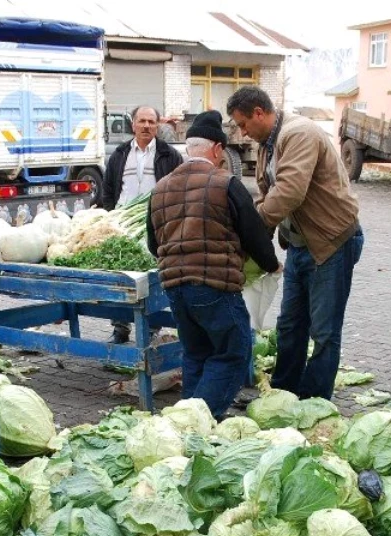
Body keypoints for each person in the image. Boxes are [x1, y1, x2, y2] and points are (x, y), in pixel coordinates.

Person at [227, 86, 363, 401]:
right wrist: (258, 247)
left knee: (325, 331)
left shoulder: (300, 133)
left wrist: (250, 230)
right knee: (290, 325)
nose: (243, 133)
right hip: (301, 245)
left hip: (331, 244)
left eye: (244, 124)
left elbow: (288, 192)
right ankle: (284, 395)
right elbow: (267, 196)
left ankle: (314, 401)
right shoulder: (267, 145)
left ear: (259, 113)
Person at [146, 110, 278, 418]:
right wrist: (270, 264)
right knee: (233, 352)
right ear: (217, 149)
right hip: (214, 286)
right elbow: (254, 234)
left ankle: (183, 421)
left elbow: (154, 245)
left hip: (175, 288)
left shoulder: (160, 188)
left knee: (196, 354)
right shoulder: (226, 183)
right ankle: (199, 419)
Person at [101, 105, 182, 344]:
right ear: (133, 124)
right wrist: (110, 218)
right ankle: (120, 328)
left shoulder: (170, 155)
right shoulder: (120, 153)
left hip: (155, 226)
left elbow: (178, 190)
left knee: (153, 279)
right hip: (123, 226)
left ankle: (150, 329)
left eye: (151, 122)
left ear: (158, 126)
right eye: (142, 121)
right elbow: (108, 190)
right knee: (119, 278)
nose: (147, 126)